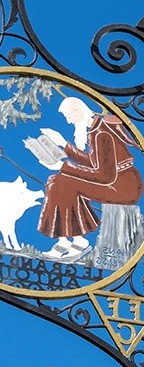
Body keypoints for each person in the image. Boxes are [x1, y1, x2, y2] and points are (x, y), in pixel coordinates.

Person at [36, 97, 142, 263]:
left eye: (69, 116)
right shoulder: (95, 130)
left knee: (64, 181)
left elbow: (103, 175)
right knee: (58, 180)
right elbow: (95, 163)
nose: (68, 121)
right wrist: (64, 145)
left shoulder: (102, 133)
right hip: (116, 181)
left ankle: (78, 241)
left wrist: (63, 166)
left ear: (78, 111)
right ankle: (65, 240)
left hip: (122, 186)